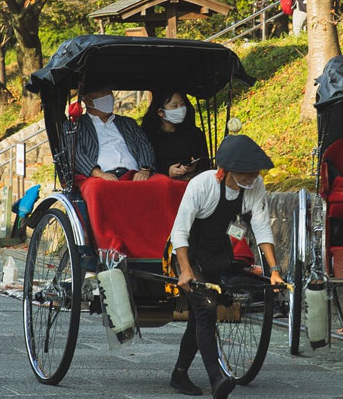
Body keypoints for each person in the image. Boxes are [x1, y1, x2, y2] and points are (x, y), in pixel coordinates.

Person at [168, 135, 285, 399]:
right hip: (188, 253)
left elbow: (261, 226)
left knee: (200, 313)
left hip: (217, 253)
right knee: (206, 307)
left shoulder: (254, 185)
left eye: (256, 171)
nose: (253, 176)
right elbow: (180, 232)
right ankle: (217, 378)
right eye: (247, 172)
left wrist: (274, 269)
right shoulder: (202, 185)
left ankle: (179, 373)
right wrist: (185, 270)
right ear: (229, 169)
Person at [73, 87, 156, 181]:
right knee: (96, 190)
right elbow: (76, 154)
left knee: (164, 185)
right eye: (102, 92)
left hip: (135, 175)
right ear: (87, 100)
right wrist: (100, 174)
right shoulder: (76, 126)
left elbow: (144, 145)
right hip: (100, 177)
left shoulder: (128, 123)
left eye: (110, 92)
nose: (108, 96)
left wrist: (144, 170)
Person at [142, 90, 210, 180]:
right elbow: (146, 164)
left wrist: (194, 166)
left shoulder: (194, 133)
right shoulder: (147, 136)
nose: (180, 109)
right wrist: (168, 170)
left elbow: (205, 162)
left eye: (182, 104)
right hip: (161, 184)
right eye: (175, 106)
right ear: (160, 112)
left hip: (192, 183)